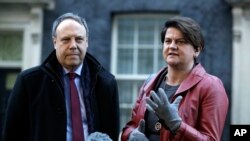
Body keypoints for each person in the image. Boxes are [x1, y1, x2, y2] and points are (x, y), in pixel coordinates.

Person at [2, 12, 120, 141]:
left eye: (79, 39)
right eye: (66, 39)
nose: (73, 45)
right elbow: (12, 135)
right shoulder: (28, 82)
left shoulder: (106, 84)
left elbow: (111, 134)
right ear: (55, 42)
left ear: (87, 42)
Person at [121, 16, 228, 141]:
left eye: (180, 42)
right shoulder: (150, 82)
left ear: (197, 50)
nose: (172, 46)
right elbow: (131, 125)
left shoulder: (211, 86)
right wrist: (131, 136)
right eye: (168, 41)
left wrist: (176, 125)